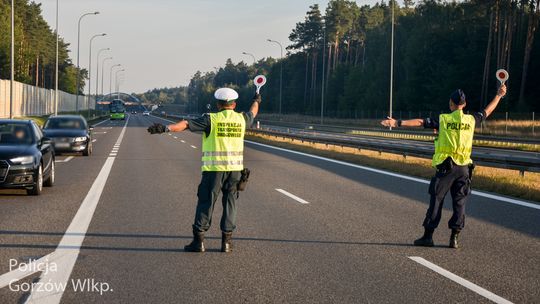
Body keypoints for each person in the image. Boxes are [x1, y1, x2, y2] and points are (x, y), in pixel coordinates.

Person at [380, 84, 507, 248]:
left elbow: (420, 122)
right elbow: (487, 111)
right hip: (464, 169)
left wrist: (397, 122)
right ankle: (454, 238)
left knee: (437, 200)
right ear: (465, 104)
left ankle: (428, 237)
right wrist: (499, 95)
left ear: (451, 104)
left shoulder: (443, 119)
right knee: (459, 203)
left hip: (446, 168)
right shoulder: (471, 120)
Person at [148, 88, 261, 253]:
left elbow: (185, 124)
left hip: (214, 171)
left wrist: (165, 129)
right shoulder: (241, 119)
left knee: (206, 202)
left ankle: (199, 242)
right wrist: (256, 100)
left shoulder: (211, 119)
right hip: (235, 171)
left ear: (218, 104)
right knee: (231, 204)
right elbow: (253, 112)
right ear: (234, 104)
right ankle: (226, 243)